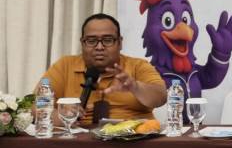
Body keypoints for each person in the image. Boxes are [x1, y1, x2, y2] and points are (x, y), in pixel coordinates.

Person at [37, 13, 166, 124]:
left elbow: (161, 97)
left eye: (108, 40)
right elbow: (36, 105)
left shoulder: (138, 66)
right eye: (91, 41)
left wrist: (135, 87)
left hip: (132, 138)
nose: (99, 47)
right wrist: (60, 116)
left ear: (120, 43)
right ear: (82, 43)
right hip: (80, 138)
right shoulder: (65, 65)